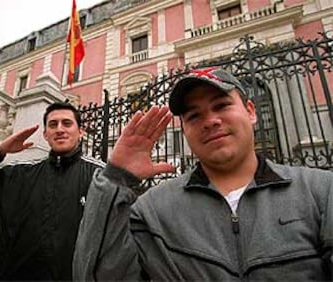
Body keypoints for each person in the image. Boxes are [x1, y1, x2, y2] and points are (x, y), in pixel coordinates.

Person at [73, 67, 333, 281]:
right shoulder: (151, 211)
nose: (210, 121)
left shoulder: (321, 191)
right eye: (194, 115)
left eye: (221, 105)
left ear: (251, 112)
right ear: (185, 130)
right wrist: (116, 179)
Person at [0, 101, 104, 281]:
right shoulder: (19, 174)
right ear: (45, 135)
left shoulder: (100, 176)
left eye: (67, 123)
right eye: (53, 124)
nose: (59, 129)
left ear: (80, 132)